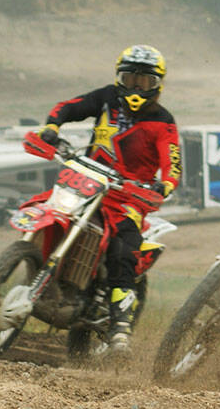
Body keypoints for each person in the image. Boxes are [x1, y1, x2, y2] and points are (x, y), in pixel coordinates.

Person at [37, 45, 181, 353]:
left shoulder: (164, 121)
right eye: (129, 80)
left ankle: (119, 329)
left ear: (157, 85)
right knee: (46, 209)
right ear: (119, 79)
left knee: (122, 250)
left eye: (144, 82)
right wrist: (52, 126)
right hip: (86, 183)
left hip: (129, 197)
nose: (135, 88)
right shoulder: (106, 99)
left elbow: (173, 162)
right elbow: (70, 106)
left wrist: (164, 186)